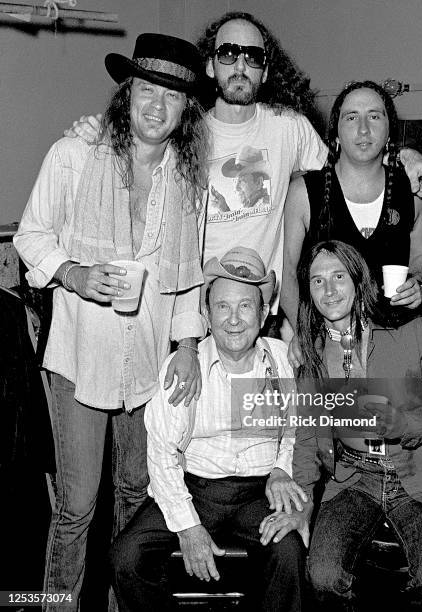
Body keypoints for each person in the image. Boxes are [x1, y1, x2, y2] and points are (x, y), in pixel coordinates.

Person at [65, 13, 422, 315]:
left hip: (265, 311)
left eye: (253, 57)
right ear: (210, 66)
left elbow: (352, 161)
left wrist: (405, 156)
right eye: (228, 53)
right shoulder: (183, 130)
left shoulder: (289, 127)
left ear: (265, 70)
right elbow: (142, 124)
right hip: (195, 311)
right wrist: (97, 128)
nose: (240, 65)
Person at [14, 34, 208, 610]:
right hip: (79, 361)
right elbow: (29, 236)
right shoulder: (73, 155)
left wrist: (190, 346)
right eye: (147, 88)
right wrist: (71, 274)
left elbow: (190, 280)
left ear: (186, 110)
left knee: (134, 496)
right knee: (76, 507)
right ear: (127, 94)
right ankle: (53, 605)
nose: (156, 105)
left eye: (171, 96)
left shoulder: (187, 183)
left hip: (148, 370)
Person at [261, 240, 422, 611]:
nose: (329, 290)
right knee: (322, 576)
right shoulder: (312, 354)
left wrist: (405, 421)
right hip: (355, 477)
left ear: (359, 281)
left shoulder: (414, 331)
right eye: (317, 281)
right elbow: (308, 440)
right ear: (307, 292)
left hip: (415, 471)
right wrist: (302, 504)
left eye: (339, 276)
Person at [109, 246, 308, 612]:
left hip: (259, 492)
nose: (234, 319)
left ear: (264, 313)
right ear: (206, 312)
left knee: (290, 550)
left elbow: (299, 428)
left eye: (246, 306)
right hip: (195, 488)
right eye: (223, 306)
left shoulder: (283, 361)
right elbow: (162, 452)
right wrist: (187, 527)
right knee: (126, 556)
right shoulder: (185, 366)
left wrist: (282, 467)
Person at [282, 81, 422, 366]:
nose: (363, 129)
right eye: (351, 117)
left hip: (395, 341)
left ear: (389, 130)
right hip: (326, 341)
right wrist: (303, 333)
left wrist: (420, 283)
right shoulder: (304, 193)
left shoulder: (413, 191)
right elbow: (287, 273)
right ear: (336, 132)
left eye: (375, 116)